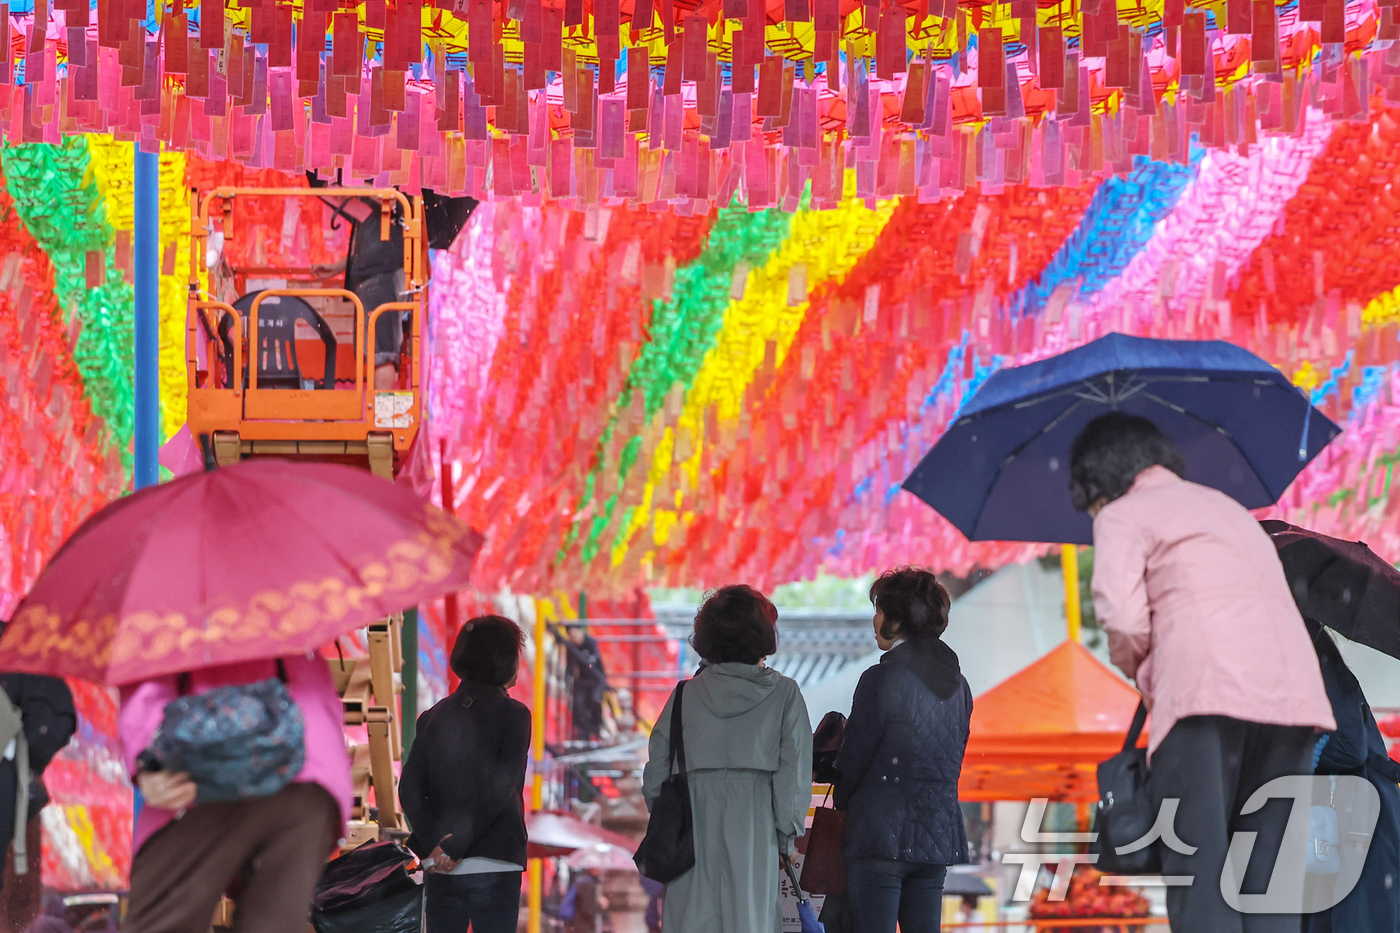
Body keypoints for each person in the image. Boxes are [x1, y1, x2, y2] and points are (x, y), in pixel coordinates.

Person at [1073, 412, 1335, 933]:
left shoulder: (1123, 514)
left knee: (1201, 876)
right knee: (1268, 886)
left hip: (1200, 698)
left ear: (1099, 484)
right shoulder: (1229, 510)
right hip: (1294, 699)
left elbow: (1122, 620)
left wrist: (1145, 674)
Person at [117, 655, 352, 933]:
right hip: (308, 761)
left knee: (162, 921)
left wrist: (149, 759)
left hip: (205, 762)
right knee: (273, 924)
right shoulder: (297, 614)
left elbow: (146, 677)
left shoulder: (168, 615)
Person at [642, 585, 813, 933]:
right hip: (755, 822)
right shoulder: (784, 695)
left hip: (690, 825)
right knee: (749, 920)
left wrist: (669, 818)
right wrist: (786, 837)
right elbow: (793, 776)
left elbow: (656, 775)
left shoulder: (683, 696)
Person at [834, 567, 972, 933]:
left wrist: (841, 799)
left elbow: (855, 757)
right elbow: (953, 756)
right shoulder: (960, 686)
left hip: (880, 838)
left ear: (897, 619)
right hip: (936, 838)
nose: (875, 619)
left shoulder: (881, 678)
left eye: (880, 610)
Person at [400, 615, 531, 933]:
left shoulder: (432, 717)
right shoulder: (514, 716)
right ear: (505, 660)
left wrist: (438, 845)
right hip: (496, 861)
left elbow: (410, 790)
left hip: (441, 867)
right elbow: (499, 789)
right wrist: (455, 846)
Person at [1304, 618, 1400, 933]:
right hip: (1353, 819)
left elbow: (1349, 749)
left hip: (1355, 823)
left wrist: (1295, 752)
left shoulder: (1320, 668)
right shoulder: (1323, 667)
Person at [310, 193, 409, 391]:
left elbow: (391, 200)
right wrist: (340, 266)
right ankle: (379, 417)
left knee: (382, 353)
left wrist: (356, 187)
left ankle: (381, 420)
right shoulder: (371, 190)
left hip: (383, 274)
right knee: (374, 353)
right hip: (370, 274)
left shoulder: (396, 181)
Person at [562, 624, 608, 742]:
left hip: (595, 679)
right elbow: (570, 666)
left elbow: (595, 659)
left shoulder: (590, 642)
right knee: (578, 705)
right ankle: (584, 733)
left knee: (595, 700)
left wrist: (586, 661)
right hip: (581, 680)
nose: (574, 637)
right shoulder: (571, 647)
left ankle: (597, 728)